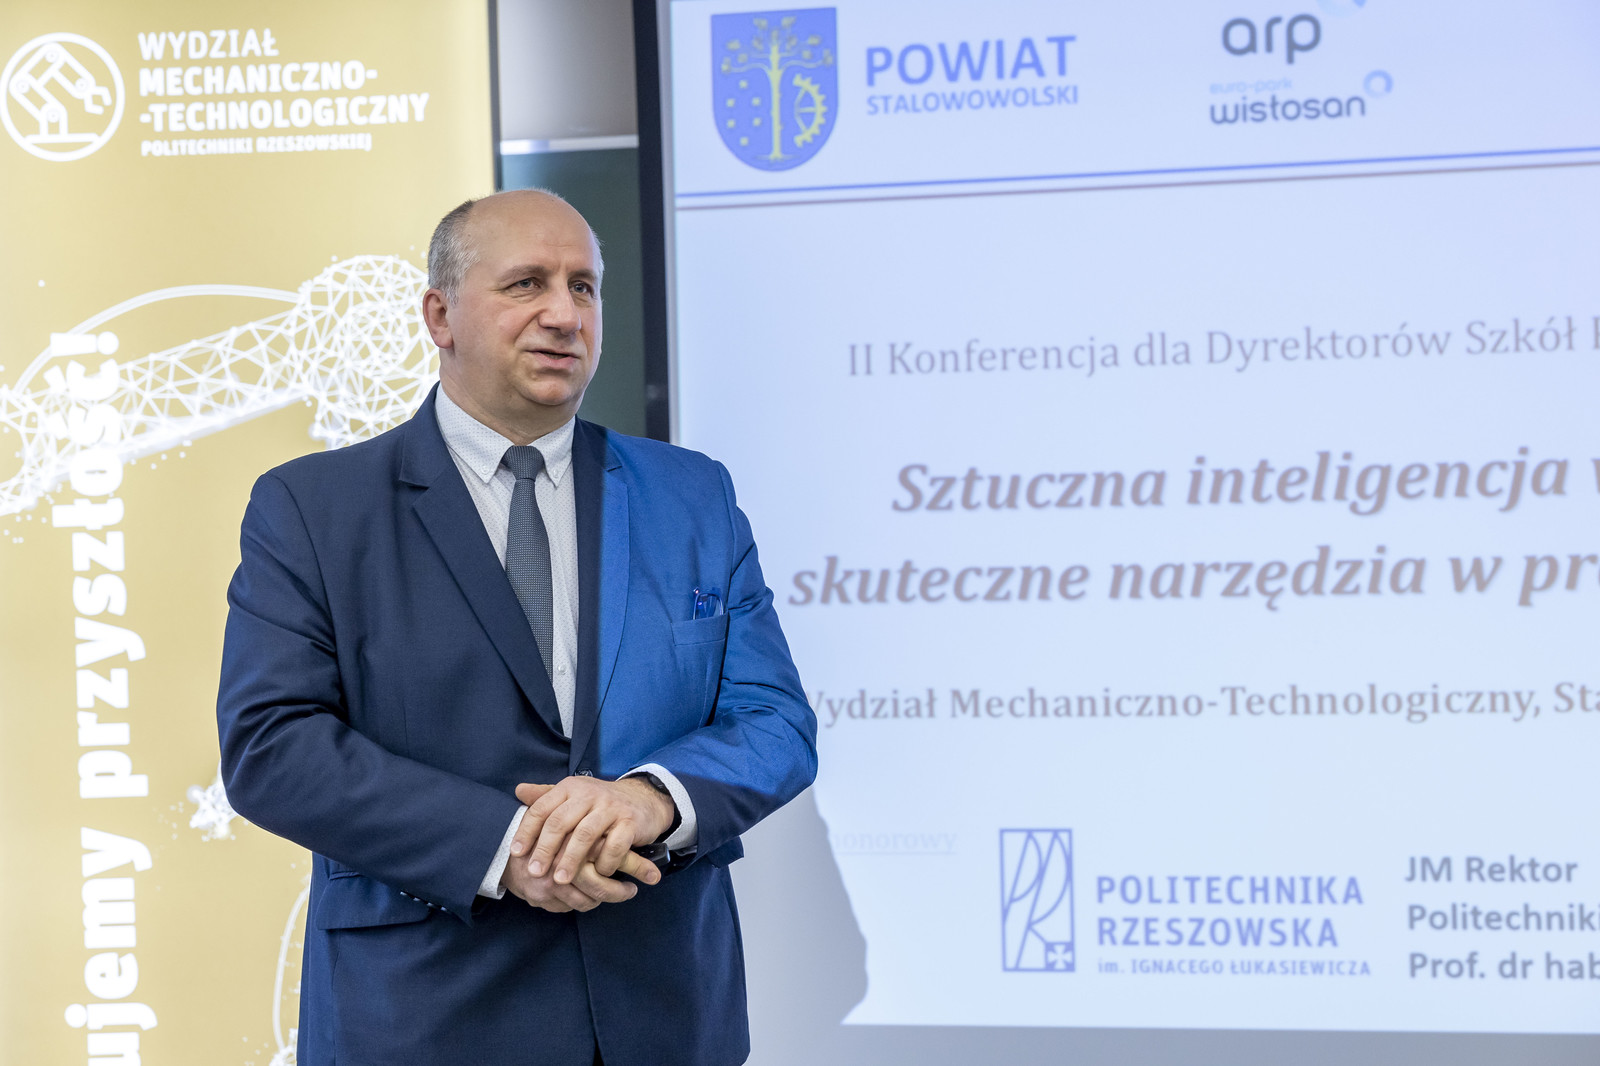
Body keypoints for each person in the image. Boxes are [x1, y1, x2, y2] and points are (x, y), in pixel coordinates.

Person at [216, 189, 817, 1066]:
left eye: (584, 287)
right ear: (440, 316)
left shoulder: (693, 495)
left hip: (664, 1014)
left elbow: (775, 722)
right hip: (423, 1019)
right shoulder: (314, 509)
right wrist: (505, 848)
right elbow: (272, 747)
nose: (564, 315)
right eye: (527, 284)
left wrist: (648, 799)